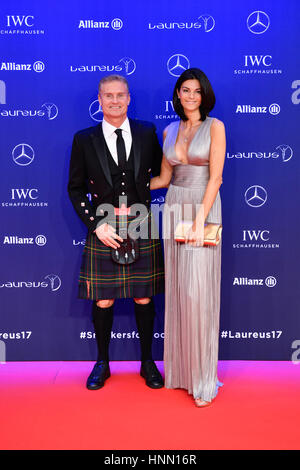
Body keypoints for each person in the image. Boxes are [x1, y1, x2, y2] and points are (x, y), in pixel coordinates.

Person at [68, 74, 164, 390]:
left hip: (141, 222)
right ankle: (102, 362)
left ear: (129, 98)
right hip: (104, 226)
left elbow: (159, 174)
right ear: (99, 100)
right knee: (103, 300)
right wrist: (96, 225)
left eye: (120, 95)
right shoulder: (84, 139)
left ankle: (148, 362)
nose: (115, 101)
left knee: (143, 296)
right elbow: (75, 188)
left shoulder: (147, 132)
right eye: (108, 96)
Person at [150, 68, 226, 407]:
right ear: (178, 94)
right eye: (185, 90)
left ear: (204, 94)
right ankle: (181, 372)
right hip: (174, 207)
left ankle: (203, 378)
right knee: (180, 290)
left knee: (199, 291)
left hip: (202, 209)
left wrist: (199, 219)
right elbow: (164, 179)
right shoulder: (169, 130)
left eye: (196, 90)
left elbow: (216, 179)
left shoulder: (216, 127)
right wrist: (118, 189)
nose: (191, 95)